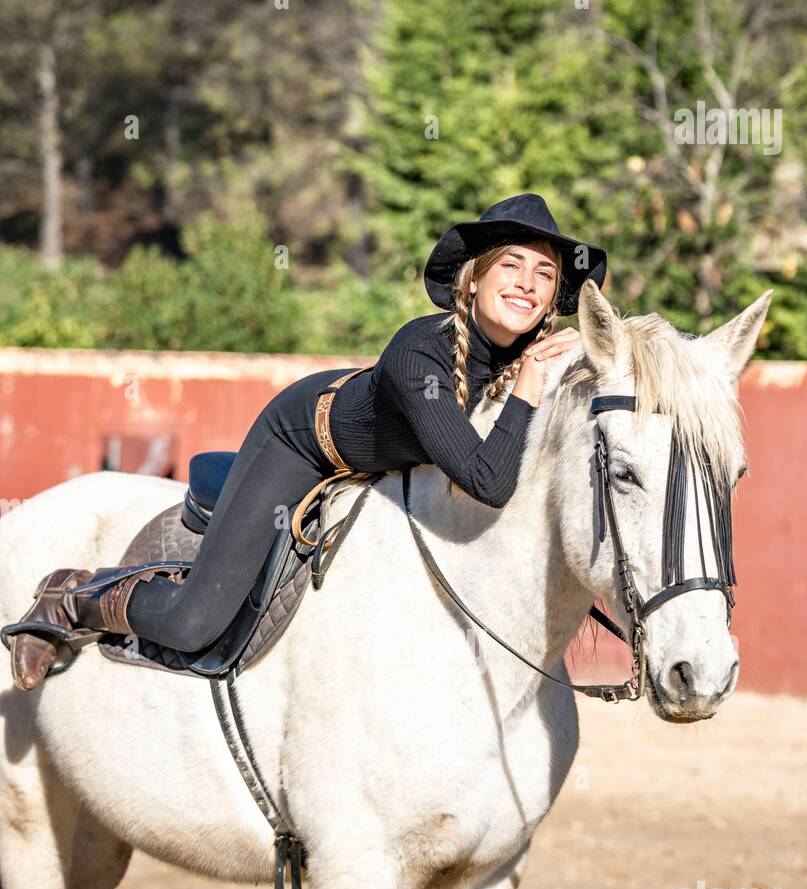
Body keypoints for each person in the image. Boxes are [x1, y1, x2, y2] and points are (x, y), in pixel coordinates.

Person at [4, 194, 606, 691]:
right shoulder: (419, 351)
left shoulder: (536, 358)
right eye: (512, 266)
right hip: (303, 439)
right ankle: (72, 598)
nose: (528, 283)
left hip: (385, 465)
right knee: (197, 621)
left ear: (556, 300)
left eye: (546, 274)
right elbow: (488, 480)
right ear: (473, 281)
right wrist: (529, 386)